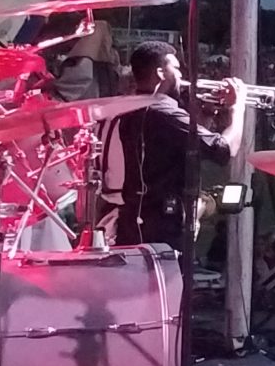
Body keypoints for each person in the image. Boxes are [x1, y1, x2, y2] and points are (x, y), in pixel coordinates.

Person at [99, 42, 249, 253]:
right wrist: (238, 109)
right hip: (163, 228)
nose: (180, 75)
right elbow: (224, 150)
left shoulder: (130, 108)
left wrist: (205, 114)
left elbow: (187, 149)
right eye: (176, 68)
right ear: (161, 73)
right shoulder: (164, 112)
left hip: (137, 223)